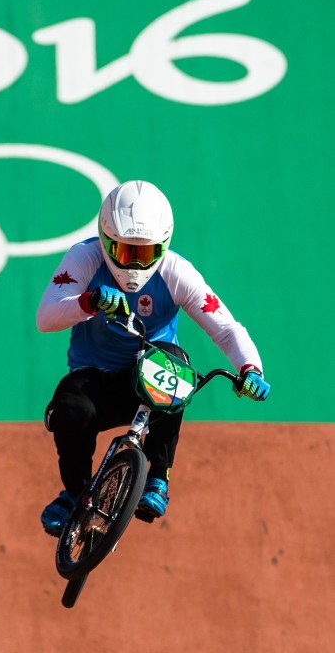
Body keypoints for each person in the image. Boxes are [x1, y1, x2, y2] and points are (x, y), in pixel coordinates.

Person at [36, 180, 269, 536]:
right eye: (123, 250)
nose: (131, 263)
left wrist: (250, 368)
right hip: (94, 379)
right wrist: (89, 301)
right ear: (104, 239)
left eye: (143, 254)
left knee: (176, 361)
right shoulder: (84, 258)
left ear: (162, 246)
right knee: (71, 411)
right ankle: (74, 494)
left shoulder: (177, 272)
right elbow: (46, 317)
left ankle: (157, 479)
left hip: (149, 378)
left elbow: (226, 327)